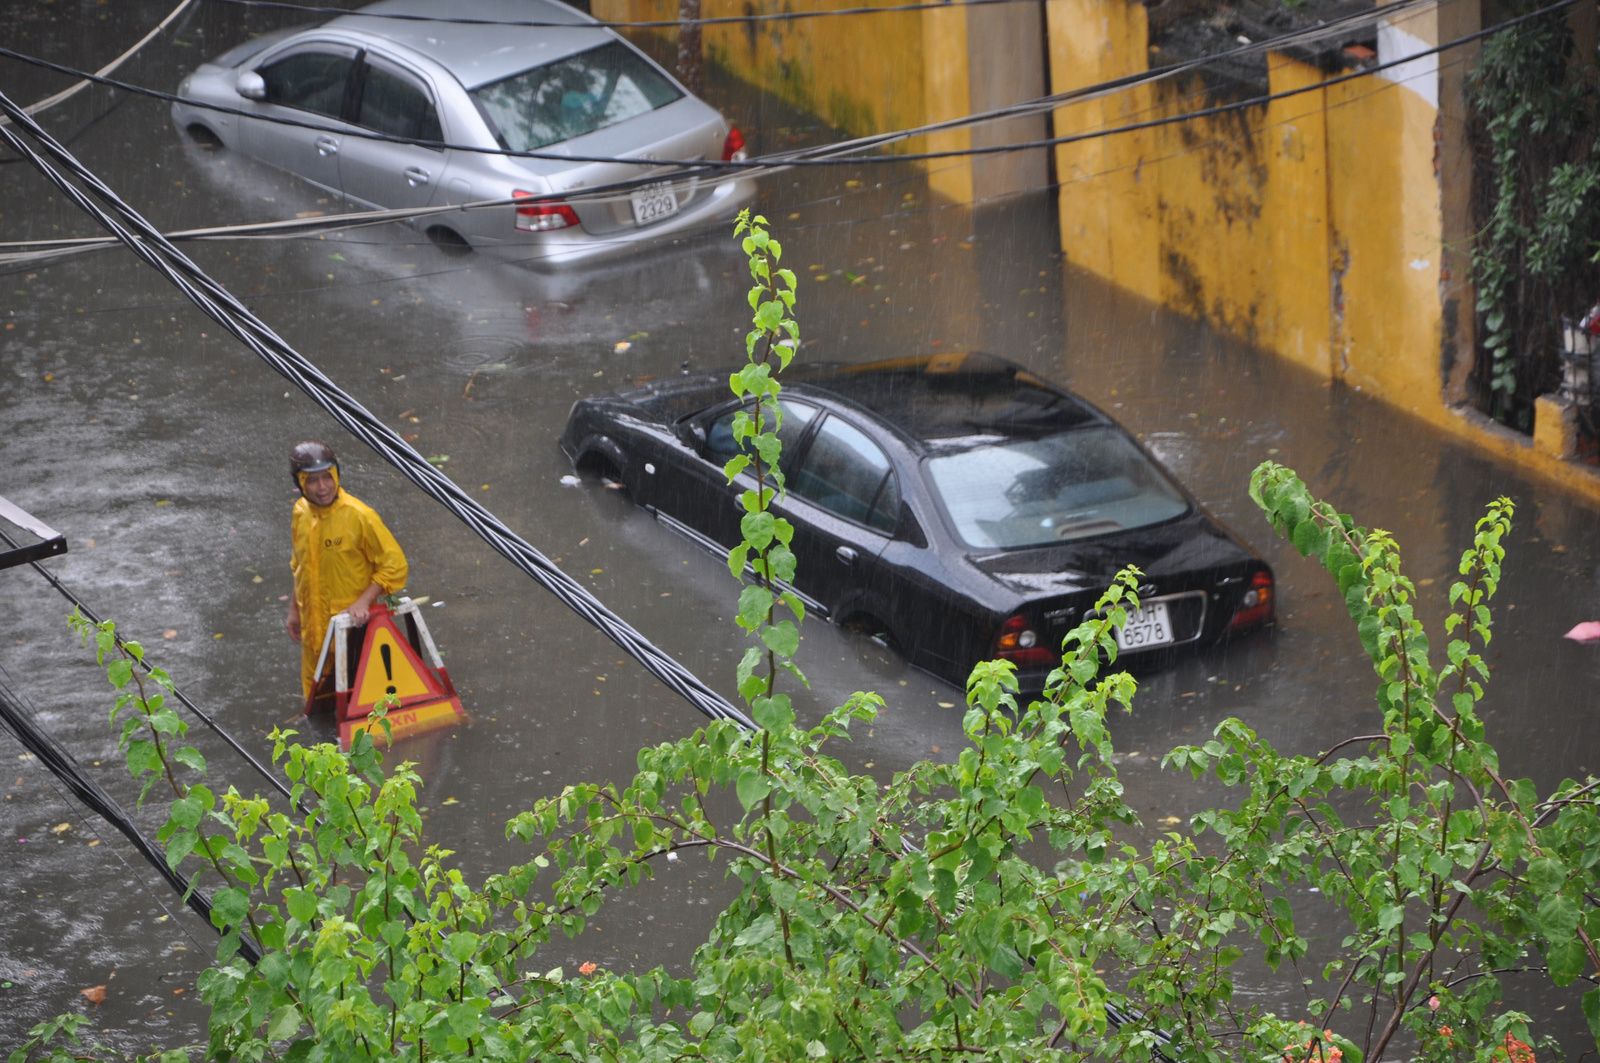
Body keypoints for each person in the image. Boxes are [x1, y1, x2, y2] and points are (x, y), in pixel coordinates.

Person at [285, 440, 408, 704]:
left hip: (351, 628)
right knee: (316, 696)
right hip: (313, 628)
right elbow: (300, 565)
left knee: (356, 698)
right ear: (300, 482)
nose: (322, 488)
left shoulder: (360, 516)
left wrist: (364, 600)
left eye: (327, 478)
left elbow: (394, 565)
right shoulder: (300, 513)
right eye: (312, 481)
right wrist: (295, 610)